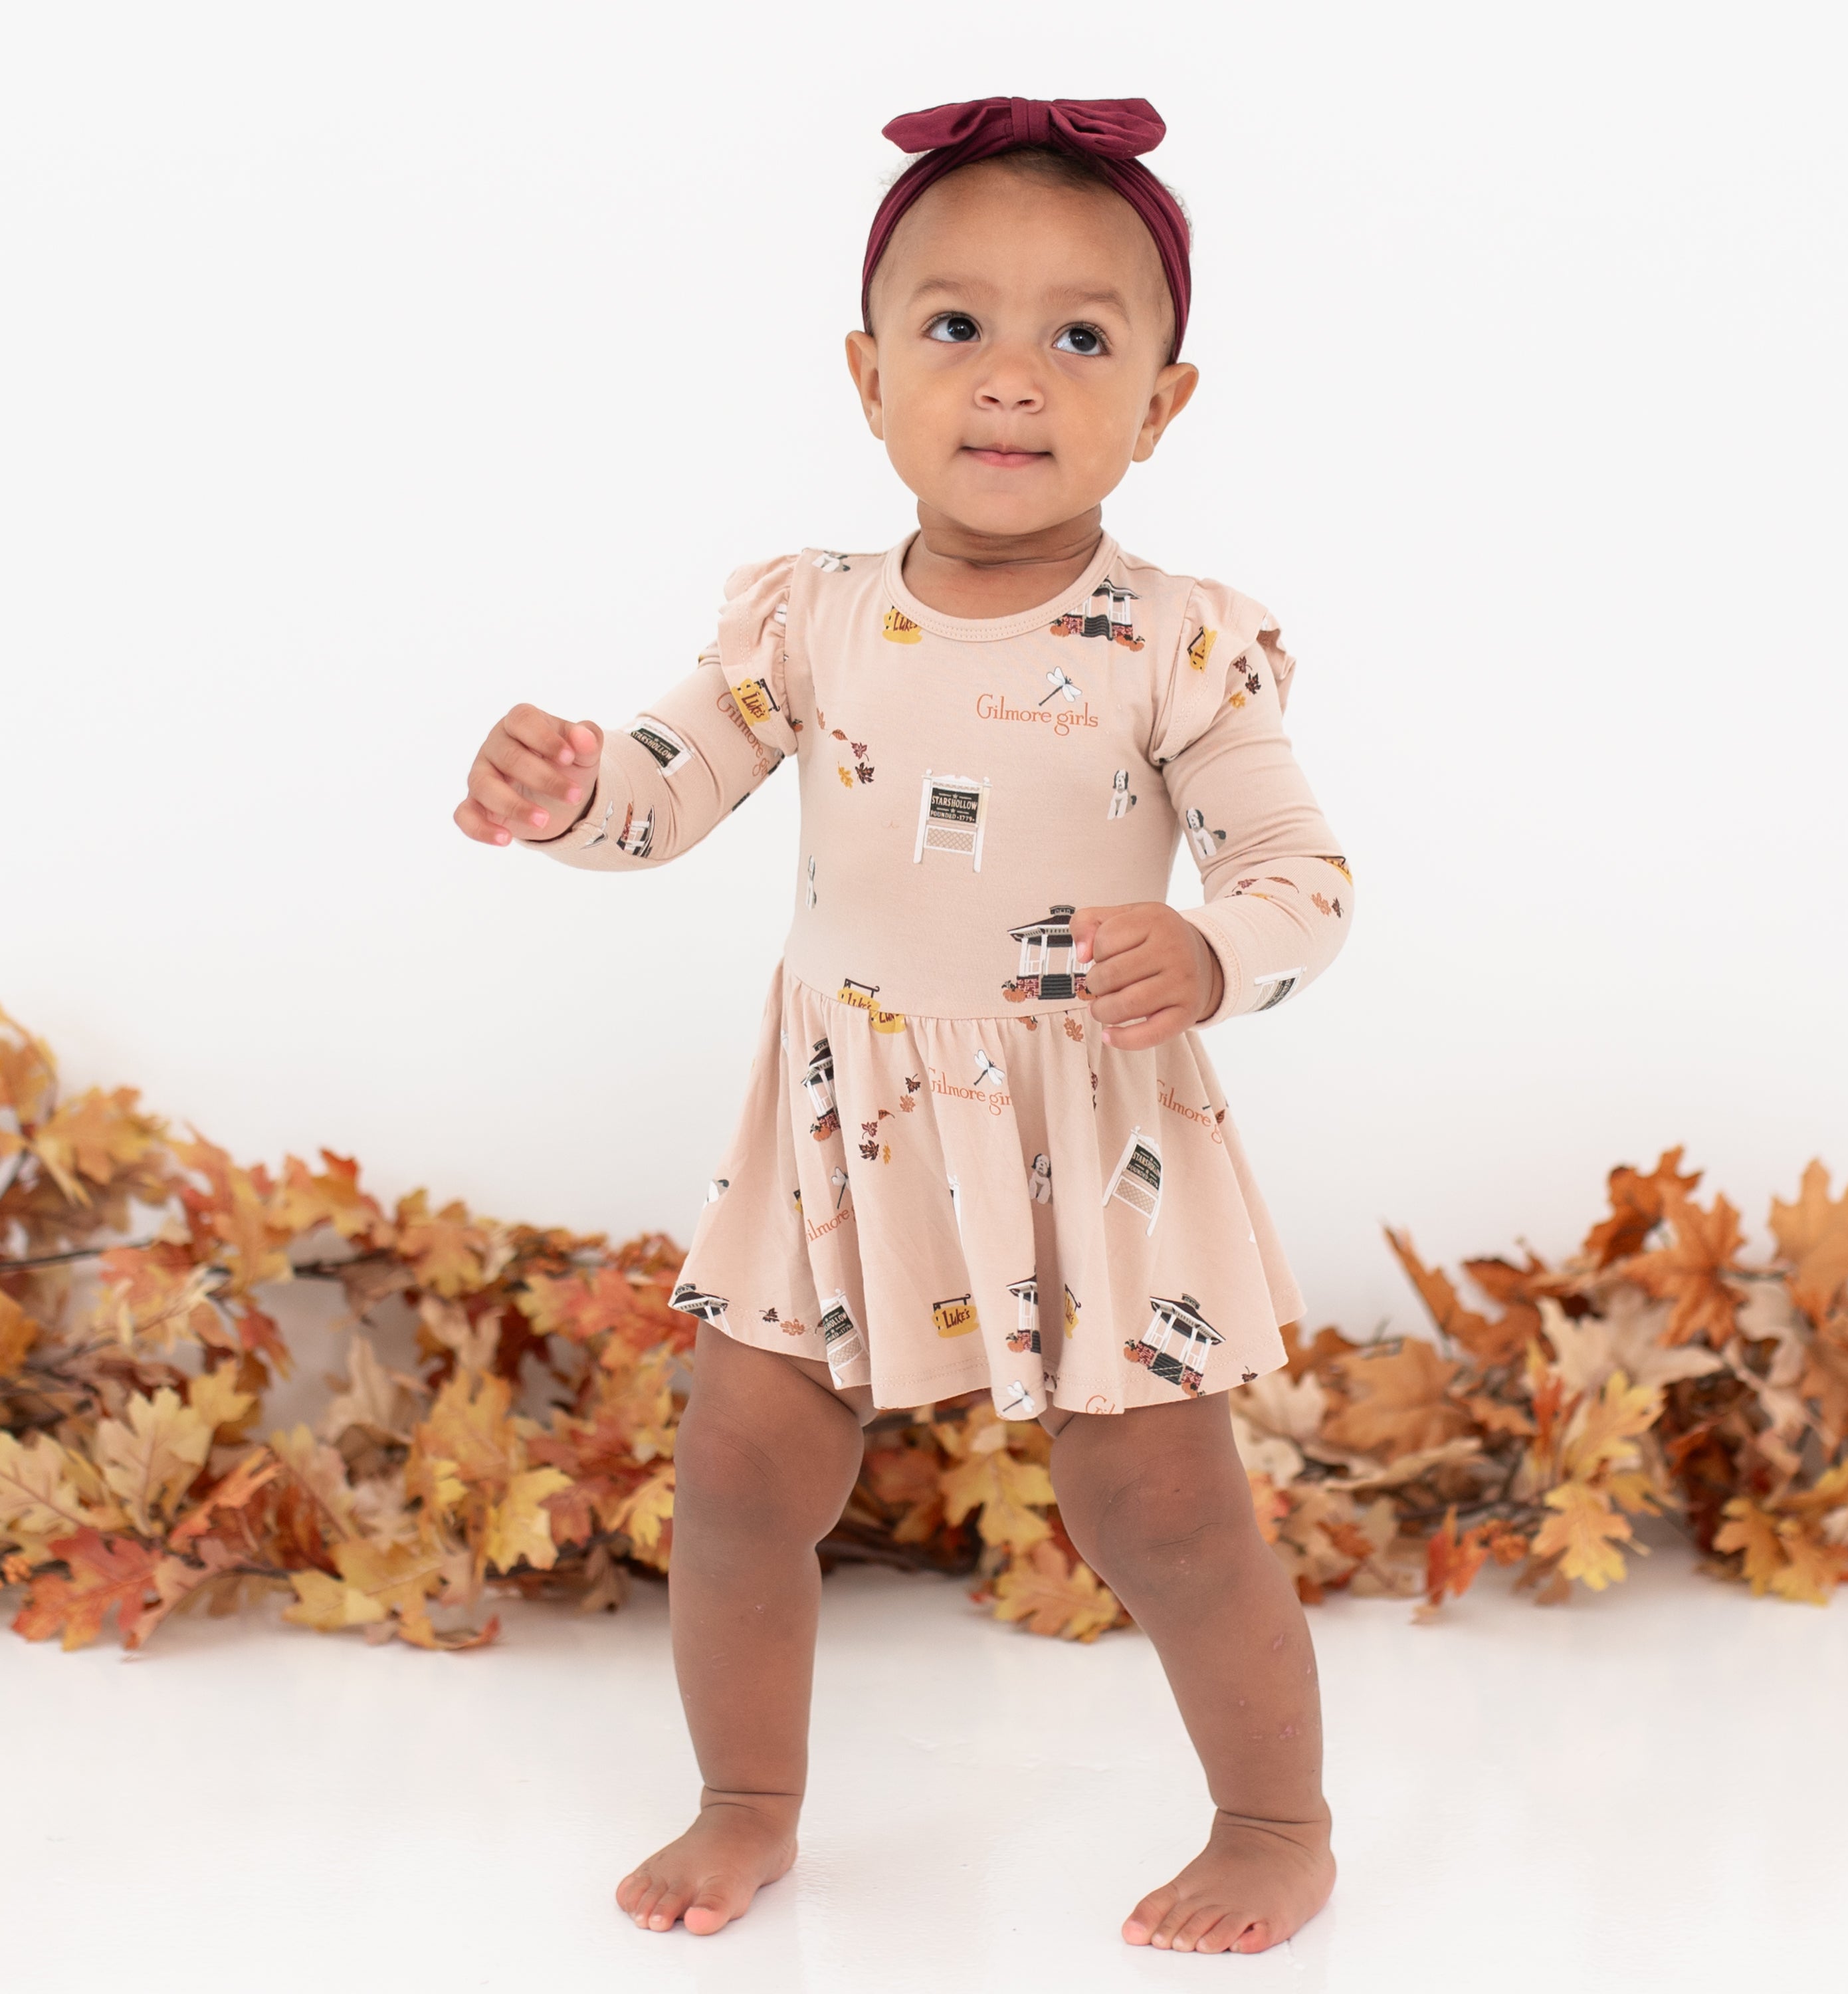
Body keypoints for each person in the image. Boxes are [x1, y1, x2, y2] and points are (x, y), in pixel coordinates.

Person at [454, 94, 1353, 1957]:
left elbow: (1296, 868)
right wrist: (566, 799)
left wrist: (1210, 954)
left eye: (1081, 337)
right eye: (956, 326)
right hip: (838, 1123)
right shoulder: (813, 623)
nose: (1011, 377)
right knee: (739, 1475)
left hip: (1080, 1118)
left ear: (1163, 404)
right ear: (869, 377)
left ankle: (1276, 1820)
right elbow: (669, 789)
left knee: (1159, 1506)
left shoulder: (1177, 645)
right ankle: (746, 1799)